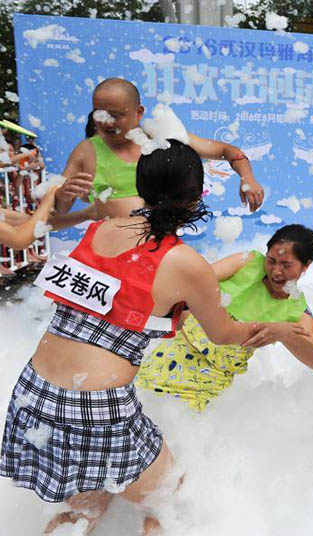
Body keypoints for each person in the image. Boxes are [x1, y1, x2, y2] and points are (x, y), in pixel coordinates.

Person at [0, 140, 260, 534]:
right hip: (96, 407)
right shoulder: (185, 264)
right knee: (169, 495)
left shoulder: (105, 225)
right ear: (195, 199)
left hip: (34, 392)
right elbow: (223, 334)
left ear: (140, 184)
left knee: (84, 509)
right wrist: (266, 331)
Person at [137, 224, 313, 411]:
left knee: (183, 423)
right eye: (271, 260)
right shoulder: (247, 263)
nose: (275, 271)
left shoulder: (297, 311)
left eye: (286, 265)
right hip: (175, 352)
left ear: (306, 265)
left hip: (211, 379)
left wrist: (285, 334)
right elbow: (193, 281)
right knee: (143, 403)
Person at [52, 78, 265, 225]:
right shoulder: (86, 151)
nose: (106, 122)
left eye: (115, 115)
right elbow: (59, 210)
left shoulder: (162, 137)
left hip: (157, 251)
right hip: (112, 255)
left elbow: (228, 150)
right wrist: (63, 195)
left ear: (138, 113)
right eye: (99, 113)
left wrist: (247, 178)